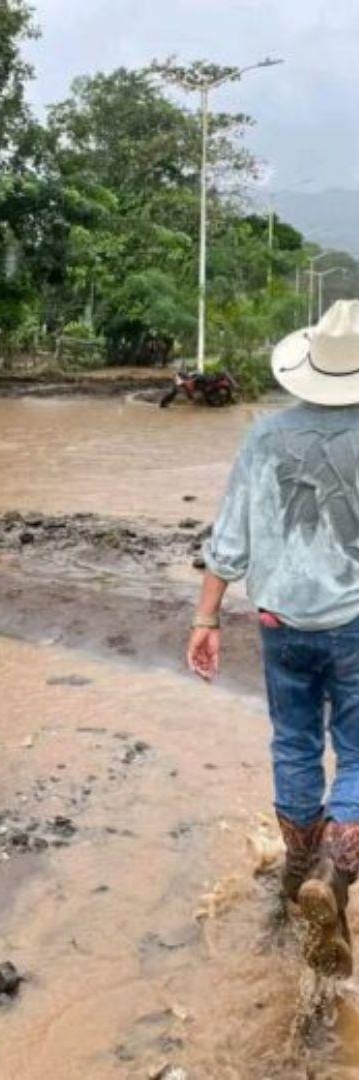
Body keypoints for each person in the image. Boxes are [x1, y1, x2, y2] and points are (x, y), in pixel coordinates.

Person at [188, 299, 359, 978]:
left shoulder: (264, 437)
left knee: (293, 742)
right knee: (358, 750)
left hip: (281, 623)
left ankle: (297, 870)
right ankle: (333, 875)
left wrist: (206, 618)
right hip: (355, 623)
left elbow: (230, 538)